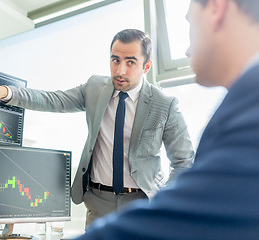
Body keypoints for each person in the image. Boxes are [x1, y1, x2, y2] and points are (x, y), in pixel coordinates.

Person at [0, 29, 194, 226]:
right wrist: (5, 93)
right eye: (115, 60)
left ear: (146, 66)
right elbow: (53, 100)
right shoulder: (94, 87)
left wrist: (164, 201)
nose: (120, 70)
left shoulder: (165, 104)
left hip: (142, 202)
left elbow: (183, 161)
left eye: (131, 62)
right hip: (98, 200)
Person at [71, 0, 259, 239]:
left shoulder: (249, 110)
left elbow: (196, 206)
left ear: (216, 9)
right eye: (116, 60)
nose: (188, 51)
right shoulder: (244, 102)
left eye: (191, 25)